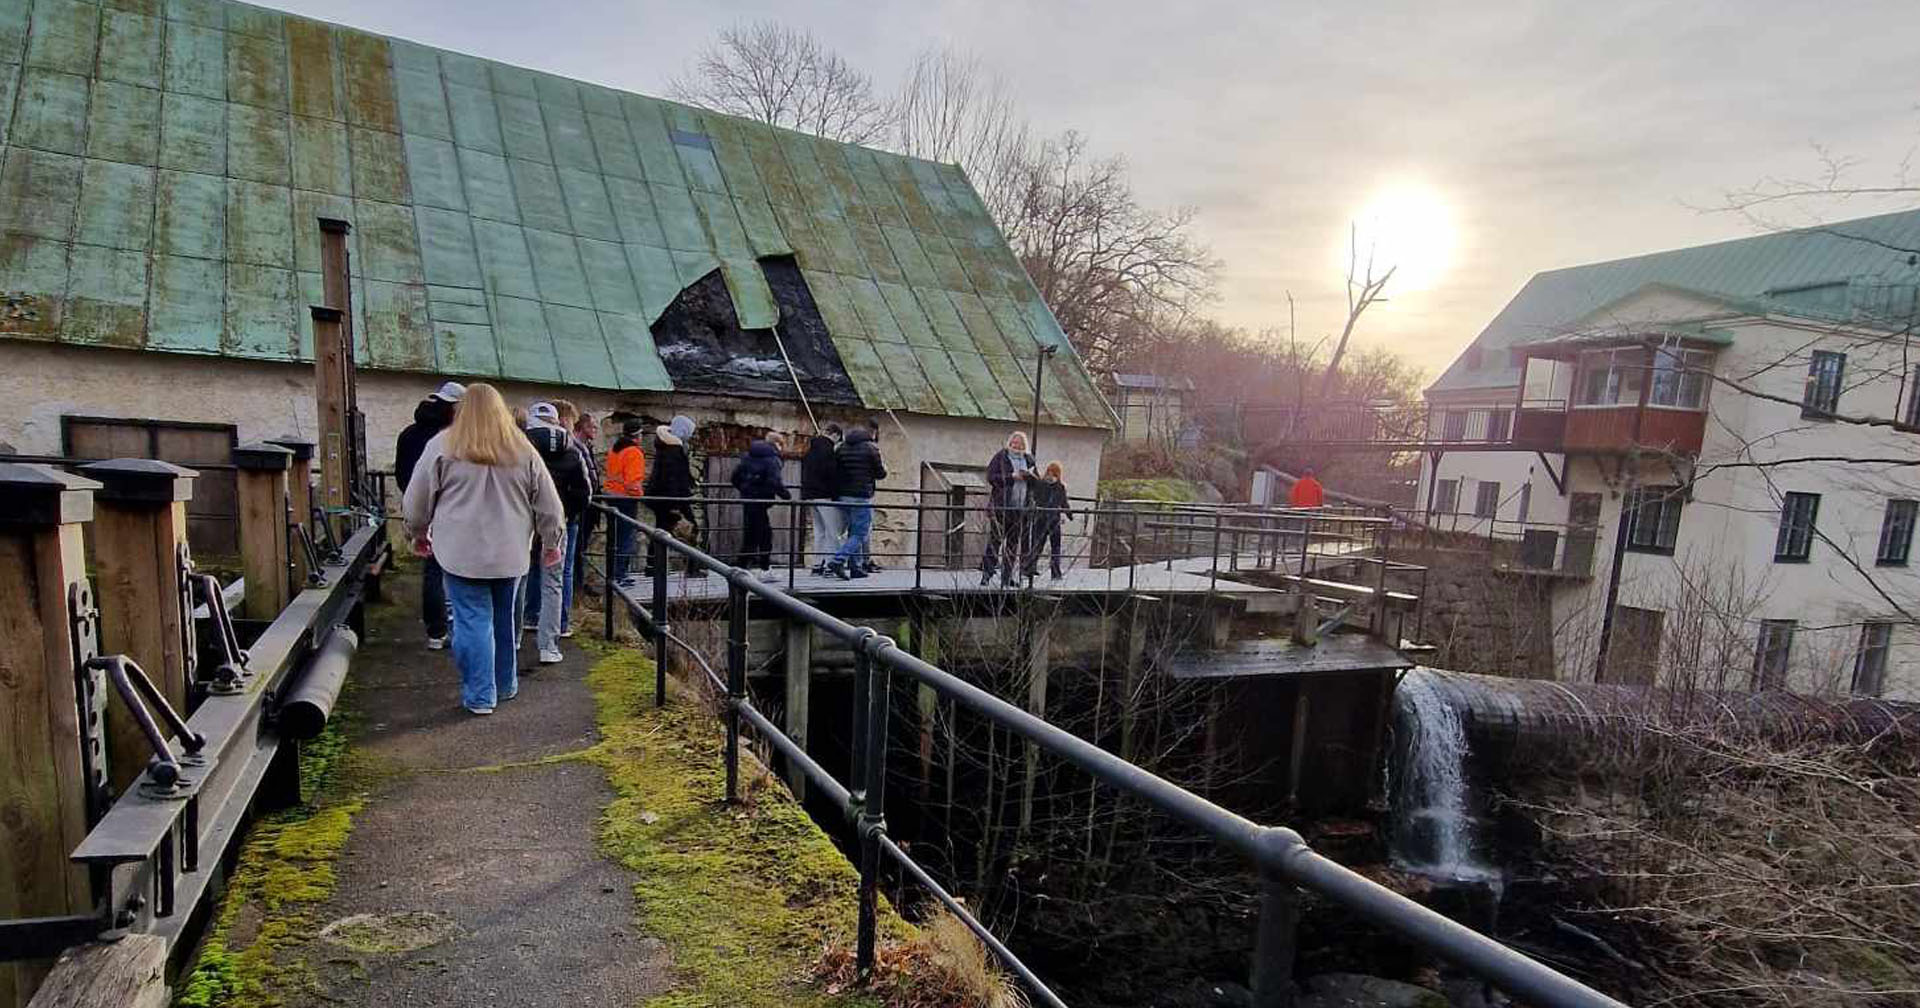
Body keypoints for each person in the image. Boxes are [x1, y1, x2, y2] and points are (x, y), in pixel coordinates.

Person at [402, 383, 564, 716]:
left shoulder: (443, 446)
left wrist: (417, 533)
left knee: (472, 621)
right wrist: (552, 541)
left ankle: (480, 694)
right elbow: (549, 503)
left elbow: (416, 501)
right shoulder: (522, 448)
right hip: (511, 553)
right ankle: (505, 685)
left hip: (461, 554)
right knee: (504, 621)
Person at [393, 381, 464, 649]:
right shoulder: (450, 437)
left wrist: (414, 504)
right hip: (449, 506)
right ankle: (453, 624)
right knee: (453, 567)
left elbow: (402, 474)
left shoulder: (409, 433)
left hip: (420, 504)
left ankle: (435, 631)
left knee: (432, 568)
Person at [520, 402, 591, 663]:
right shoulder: (572, 452)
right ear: (557, 422)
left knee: (522, 576)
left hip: (524, 524)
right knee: (555, 580)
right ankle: (550, 643)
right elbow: (586, 492)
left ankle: (516, 633)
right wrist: (567, 513)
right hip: (559, 524)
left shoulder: (519, 450)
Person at [825, 422, 885, 580]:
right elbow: (880, 473)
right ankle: (838, 560)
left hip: (843, 495)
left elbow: (835, 470)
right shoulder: (871, 448)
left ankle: (855, 567)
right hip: (861, 495)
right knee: (860, 532)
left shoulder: (841, 448)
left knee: (852, 531)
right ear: (868, 435)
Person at [981, 431, 1037, 587]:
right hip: (1002, 507)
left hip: (1020, 509)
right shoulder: (1001, 457)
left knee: (1012, 545)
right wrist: (1011, 477)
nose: (1017, 446)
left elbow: (1036, 484)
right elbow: (991, 477)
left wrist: (1030, 478)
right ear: (1009, 443)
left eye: (1020, 443)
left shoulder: (1029, 460)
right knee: (995, 542)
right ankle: (987, 574)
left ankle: (1007, 577)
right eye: (1014, 442)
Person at [730, 432, 790, 576]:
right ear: (777, 444)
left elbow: (734, 478)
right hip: (762, 501)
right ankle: (764, 568)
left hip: (748, 500)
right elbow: (775, 481)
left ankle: (742, 566)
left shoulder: (748, 456)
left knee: (750, 534)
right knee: (765, 535)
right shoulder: (772, 459)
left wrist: (745, 490)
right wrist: (786, 496)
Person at [556, 401, 599, 598]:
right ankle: (566, 609)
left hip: (573, 508)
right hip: (571, 511)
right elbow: (583, 481)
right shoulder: (573, 447)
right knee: (565, 563)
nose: (596, 430)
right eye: (591, 426)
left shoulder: (583, 447)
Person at [642, 421, 697, 576]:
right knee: (692, 528)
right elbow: (672, 477)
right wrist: (676, 505)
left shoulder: (666, 446)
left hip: (663, 497)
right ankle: (692, 569)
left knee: (661, 532)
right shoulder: (674, 449)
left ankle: (652, 566)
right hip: (672, 498)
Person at [602, 418, 647, 584]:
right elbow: (632, 483)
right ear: (638, 435)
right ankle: (620, 574)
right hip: (626, 498)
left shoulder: (615, 449)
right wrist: (641, 494)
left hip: (611, 496)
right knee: (626, 537)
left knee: (614, 537)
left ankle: (613, 573)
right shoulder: (634, 452)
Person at [800, 423, 843, 573]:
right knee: (832, 531)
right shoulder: (828, 451)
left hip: (810, 495)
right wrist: (836, 495)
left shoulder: (811, 450)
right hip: (824, 495)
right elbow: (831, 475)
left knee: (819, 531)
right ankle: (831, 564)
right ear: (835, 435)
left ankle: (817, 564)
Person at [1025, 461, 1071, 580]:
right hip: (1052, 519)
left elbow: (1034, 497)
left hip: (1042, 518)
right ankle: (1055, 572)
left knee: (1038, 544)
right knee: (1054, 546)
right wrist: (1070, 515)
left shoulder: (1040, 483)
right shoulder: (1059, 486)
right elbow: (1064, 503)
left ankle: (1030, 568)